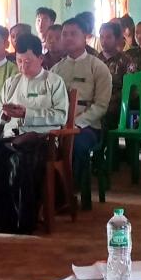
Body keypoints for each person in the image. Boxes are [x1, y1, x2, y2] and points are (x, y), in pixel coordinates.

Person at [0, 36, 69, 234]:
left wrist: (26, 114)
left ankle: (22, 221)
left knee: (19, 160)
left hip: (42, 140)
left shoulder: (53, 82)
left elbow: (61, 116)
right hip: (10, 137)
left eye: (28, 61)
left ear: (40, 58)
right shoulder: (12, 82)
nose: (22, 66)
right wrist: (4, 114)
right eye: (19, 61)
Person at [51, 16, 112, 195]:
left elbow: (101, 106)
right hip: (59, 122)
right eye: (65, 34)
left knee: (76, 144)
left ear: (85, 36)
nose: (68, 38)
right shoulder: (56, 69)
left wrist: (76, 123)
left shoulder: (98, 67)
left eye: (73, 34)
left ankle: (71, 191)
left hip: (88, 126)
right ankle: (51, 192)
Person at [98, 20, 136, 130]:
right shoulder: (95, 60)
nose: (104, 41)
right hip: (97, 101)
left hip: (117, 104)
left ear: (117, 39)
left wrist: (111, 98)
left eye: (108, 37)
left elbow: (131, 89)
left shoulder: (126, 61)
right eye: (101, 37)